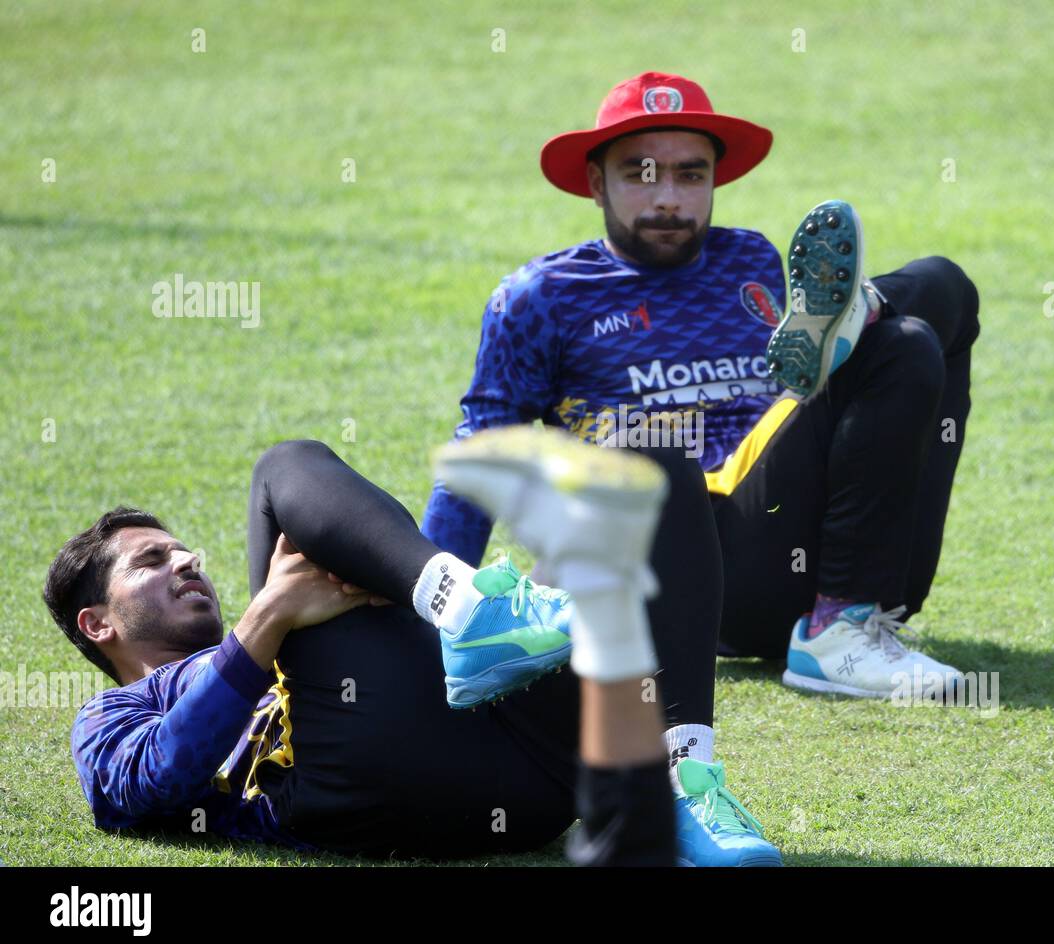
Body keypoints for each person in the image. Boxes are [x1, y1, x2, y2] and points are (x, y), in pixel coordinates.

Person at [421, 74, 981, 765]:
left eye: (692, 175)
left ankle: (848, 615)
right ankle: (837, 630)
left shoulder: (747, 260)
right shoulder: (542, 297)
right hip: (680, 564)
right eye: (642, 174)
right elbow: (482, 447)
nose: (669, 198)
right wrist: (429, 608)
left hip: (806, 545)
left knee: (938, 300)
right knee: (896, 343)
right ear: (595, 182)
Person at [44, 429, 776, 865]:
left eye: (183, 552)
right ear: (97, 624)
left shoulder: (312, 616)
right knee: (284, 466)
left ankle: (683, 780)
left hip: (528, 783)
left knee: (646, 464)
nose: (186, 563)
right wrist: (267, 618)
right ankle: (470, 611)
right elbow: (147, 786)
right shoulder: (113, 714)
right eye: (150, 563)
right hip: (355, 780)